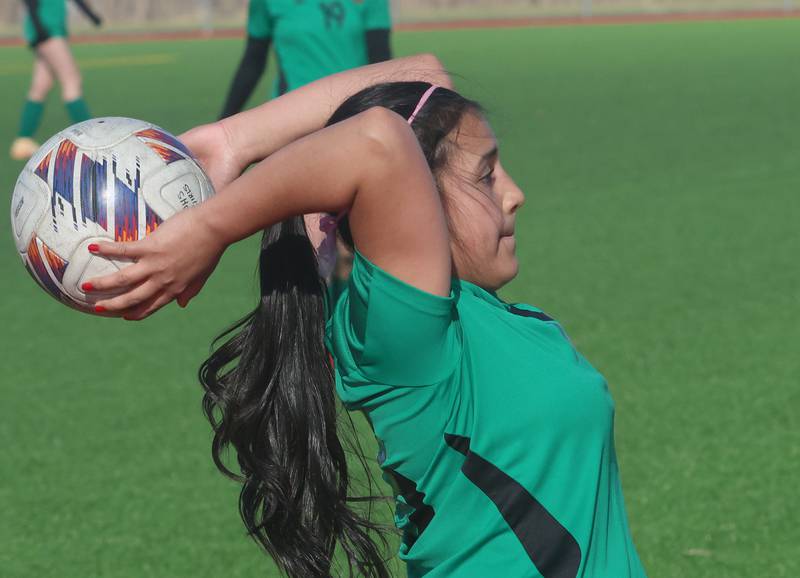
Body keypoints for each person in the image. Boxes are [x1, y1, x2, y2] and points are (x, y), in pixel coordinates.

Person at [82, 55, 648, 578]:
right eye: (486, 175)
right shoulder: (407, 338)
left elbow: (427, 78)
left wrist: (233, 141)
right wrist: (209, 228)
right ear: (417, 196)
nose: (515, 193)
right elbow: (379, 139)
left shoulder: (465, 318)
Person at [218, 0, 392, 120]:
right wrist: (223, 122)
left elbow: (381, 62)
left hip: (352, 112)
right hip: (290, 115)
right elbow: (253, 62)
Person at [10, 0, 101, 161]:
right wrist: (39, 27)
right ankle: (92, 138)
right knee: (72, 81)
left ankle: (23, 142)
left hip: (48, 30)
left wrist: (91, 15)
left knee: (41, 86)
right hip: (47, 31)